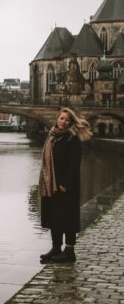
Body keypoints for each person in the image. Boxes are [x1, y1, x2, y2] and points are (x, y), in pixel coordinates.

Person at [38, 107, 91, 264]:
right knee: (54, 217)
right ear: (57, 119)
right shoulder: (52, 137)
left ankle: (69, 251)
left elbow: (74, 165)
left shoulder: (72, 138)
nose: (63, 122)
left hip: (66, 186)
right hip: (52, 184)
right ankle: (56, 248)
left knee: (67, 218)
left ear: (71, 122)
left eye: (67, 119)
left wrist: (65, 185)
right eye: (61, 118)